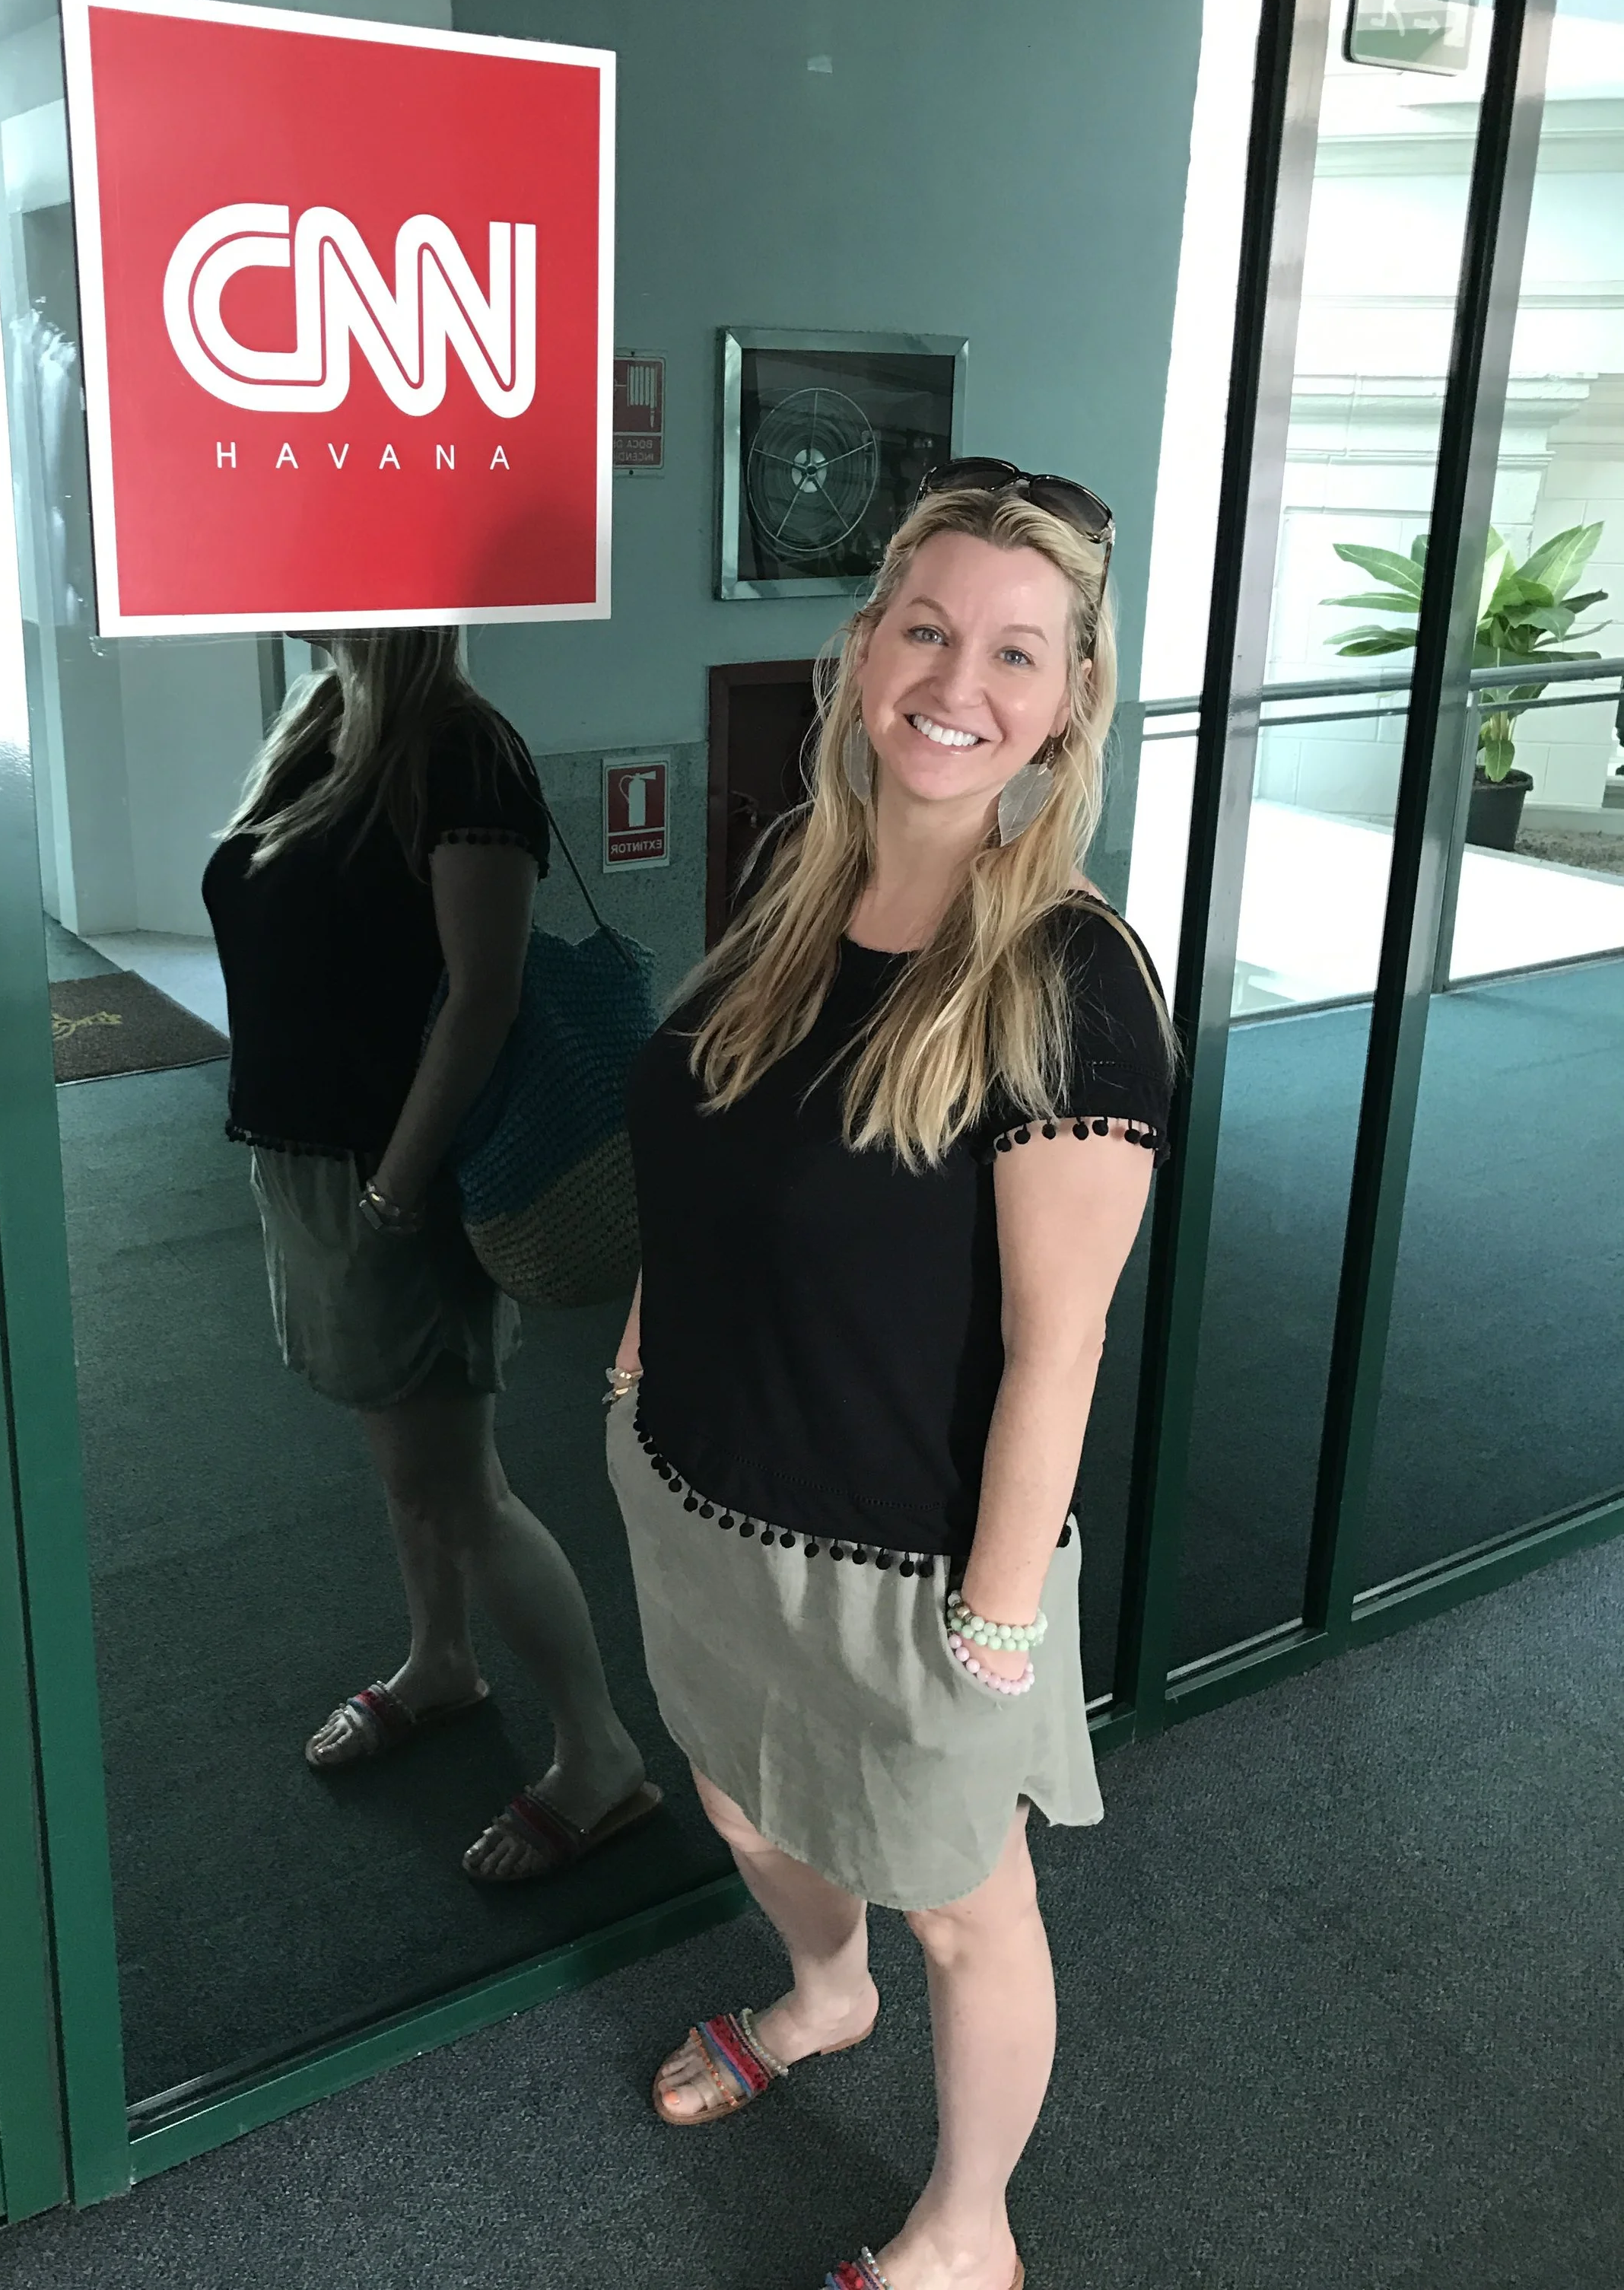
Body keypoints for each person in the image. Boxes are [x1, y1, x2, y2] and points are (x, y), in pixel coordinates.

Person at [609, 469, 1174, 2290]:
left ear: (1069, 696)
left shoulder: (1070, 977)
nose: (958, 680)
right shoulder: (801, 880)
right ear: (863, 650)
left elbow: (1058, 1337)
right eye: (925, 628)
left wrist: (995, 1634)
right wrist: (634, 1365)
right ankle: (817, 1996)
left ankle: (965, 2230)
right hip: (699, 1482)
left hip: (906, 1567)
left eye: (1016, 650)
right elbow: (707, 1157)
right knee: (742, 1801)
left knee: (963, 1904)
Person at [204, 629, 656, 1882]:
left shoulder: (461, 750)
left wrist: (398, 1185)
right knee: (406, 1458)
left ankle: (599, 1754)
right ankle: (441, 1663)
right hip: (310, 1160)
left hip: (390, 1174)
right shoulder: (322, 721)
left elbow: (485, 995)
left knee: (459, 1486)